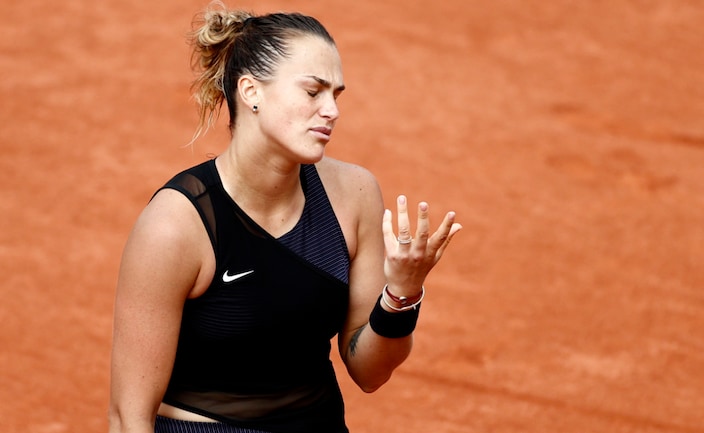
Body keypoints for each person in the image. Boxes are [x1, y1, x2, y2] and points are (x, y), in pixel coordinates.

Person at [108, 4, 462, 433]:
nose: (332, 110)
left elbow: (369, 372)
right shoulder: (176, 226)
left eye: (336, 94)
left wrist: (403, 293)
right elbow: (130, 417)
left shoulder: (354, 195)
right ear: (251, 91)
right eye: (314, 92)